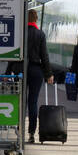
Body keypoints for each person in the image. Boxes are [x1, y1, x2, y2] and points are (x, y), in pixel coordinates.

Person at [24, 11, 54, 143]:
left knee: (20, 101)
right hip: (36, 70)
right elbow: (44, 56)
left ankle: (19, 129)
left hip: (21, 69)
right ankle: (31, 133)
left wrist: (9, 71)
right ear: (36, 19)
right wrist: (49, 74)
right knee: (33, 102)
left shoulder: (20, 33)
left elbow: (13, 56)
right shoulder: (40, 34)